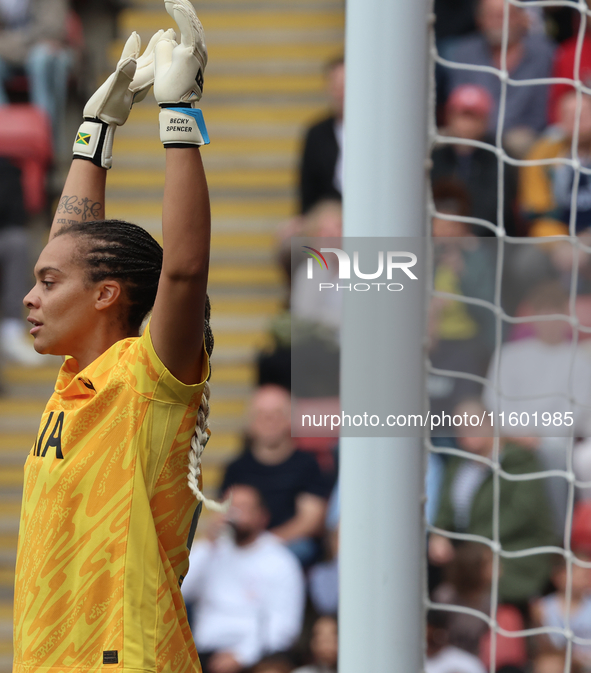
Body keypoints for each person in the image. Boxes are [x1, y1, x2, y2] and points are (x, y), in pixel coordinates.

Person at [12, 3, 215, 673]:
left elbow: (183, 270)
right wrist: (93, 133)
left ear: (107, 297)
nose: (29, 297)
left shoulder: (149, 378)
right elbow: (73, 252)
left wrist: (178, 116)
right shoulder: (79, 379)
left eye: (46, 284)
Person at [429, 399, 556, 604]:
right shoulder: (458, 464)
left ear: (489, 423)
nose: (466, 433)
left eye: (472, 425)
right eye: (460, 428)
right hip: (467, 557)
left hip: (511, 556)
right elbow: (445, 508)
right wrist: (439, 533)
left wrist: (473, 544)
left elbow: (520, 513)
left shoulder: (519, 460)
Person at [181, 485, 305, 673]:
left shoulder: (280, 560)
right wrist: (209, 542)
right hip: (206, 652)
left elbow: (284, 626)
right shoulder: (210, 551)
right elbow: (179, 591)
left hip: (258, 654)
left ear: (263, 516)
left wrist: (242, 655)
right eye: (230, 506)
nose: (235, 513)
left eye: (244, 507)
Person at [221, 385, 331, 565]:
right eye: (261, 414)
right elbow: (226, 515)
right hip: (245, 544)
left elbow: (310, 520)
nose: (269, 420)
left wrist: (266, 544)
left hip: (290, 548)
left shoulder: (307, 465)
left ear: (290, 419)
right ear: (250, 421)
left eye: (276, 413)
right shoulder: (236, 468)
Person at [446, 0, 555, 154]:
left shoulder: (544, 53)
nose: (498, 22)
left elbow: (541, 112)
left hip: (522, 136)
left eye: (505, 15)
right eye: (491, 16)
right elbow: (457, 104)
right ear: (479, 20)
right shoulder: (465, 53)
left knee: (521, 141)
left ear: (522, 18)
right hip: (473, 132)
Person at [432, 84, 519, 235]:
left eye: (473, 117)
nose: (467, 125)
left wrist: (466, 233)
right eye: (462, 116)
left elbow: (496, 208)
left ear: (485, 121)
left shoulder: (498, 157)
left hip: (485, 240)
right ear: (449, 117)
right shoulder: (437, 157)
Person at [0, 0, 73, 143]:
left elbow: (51, 32)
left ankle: (45, 140)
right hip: (11, 53)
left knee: (42, 59)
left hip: (50, 55)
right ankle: (4, 134)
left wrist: (8, 43)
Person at [520, 91, 591, 237]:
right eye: (568, 114)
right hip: (559, 236)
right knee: (527, 259)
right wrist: (558, 244)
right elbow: (538, 211)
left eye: (582, 114)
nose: (576, 119)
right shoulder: (544, 154)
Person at [0, 155, 44, 366]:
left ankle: (11, 329)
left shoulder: (7, 168)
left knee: (17, 243)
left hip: (4, 233)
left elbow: (14, 210)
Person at [298, 57, 344, 214]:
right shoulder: (317, 133)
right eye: (335, 86)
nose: (340, 94)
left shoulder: (375, 134)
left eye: (344, 86)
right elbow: (308, 190)